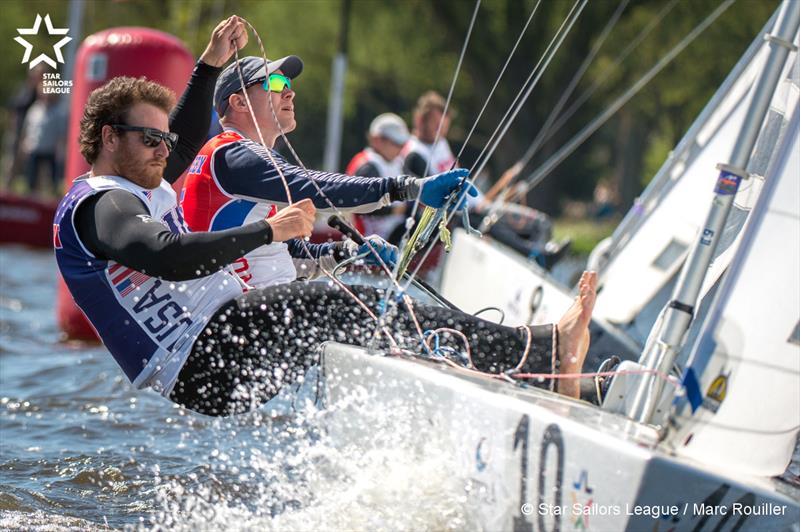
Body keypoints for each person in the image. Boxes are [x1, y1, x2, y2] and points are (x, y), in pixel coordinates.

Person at [55, 35, 598, 418]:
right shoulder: (101, 207)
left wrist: (208, 64)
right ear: (108, 138)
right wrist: (276, 229)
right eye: (150, 140)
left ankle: (540, 379)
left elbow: (185, 134)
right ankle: (544, 354)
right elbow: (168, 255)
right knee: (354, 308)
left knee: (374, 324)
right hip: (204, 357)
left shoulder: (146, 186)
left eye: (166, 142)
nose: (164, 150)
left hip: (219, 349)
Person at [179, 56, 471, 289]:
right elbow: (314, 186)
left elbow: (285, 252)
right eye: (276, 82)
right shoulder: (232, 152)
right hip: (234, 314)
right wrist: (409, 187)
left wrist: (348, 251)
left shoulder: (237, 156)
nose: (289, 91)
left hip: (253, 309)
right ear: (239, 102)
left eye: (289, 83)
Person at [345, 113, 410, 240]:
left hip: (395, 234)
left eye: (402, 144)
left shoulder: (398, 162)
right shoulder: (367, 165)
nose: (400, 149)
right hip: (368, 239)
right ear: (377, 140)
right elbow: (361, 207)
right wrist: (394, 211)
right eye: (396, 143)